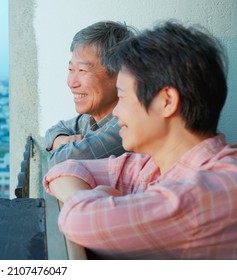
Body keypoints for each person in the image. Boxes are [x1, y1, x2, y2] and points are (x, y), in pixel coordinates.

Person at [43, 21, 237, 259]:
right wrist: (98, 197)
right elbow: (65, 168)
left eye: (122, 97)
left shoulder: (216, 190)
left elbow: (78, 220)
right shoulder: (153, 165)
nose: (116, 112)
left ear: (166, 101)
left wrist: (93, 199)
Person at [45, 21, 134, 167]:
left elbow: (58, 161)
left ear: (119, 75)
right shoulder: (90, 119)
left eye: (82, 70)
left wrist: (58, 148)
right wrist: (60, 140)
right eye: (70, 70)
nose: (71, 82)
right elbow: (54, 130)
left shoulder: (124, 128)